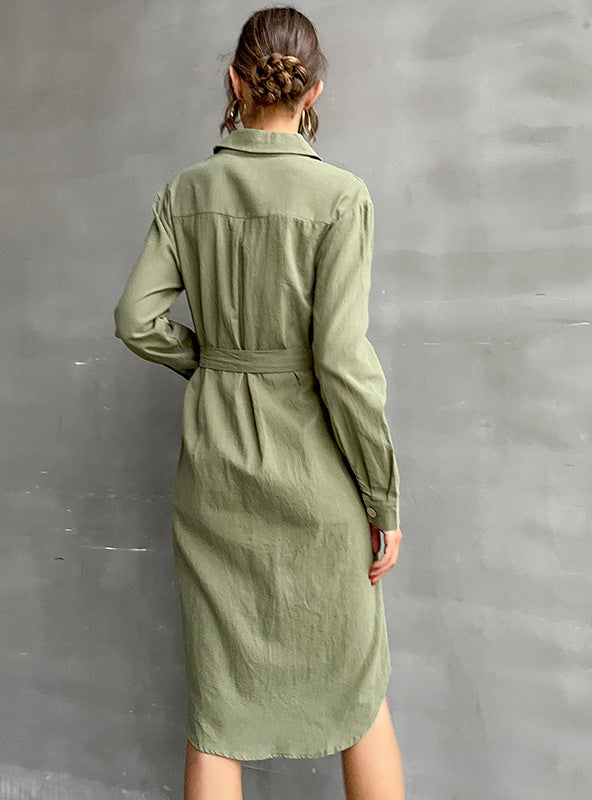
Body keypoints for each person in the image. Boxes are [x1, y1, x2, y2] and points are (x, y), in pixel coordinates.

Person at [113, 6, 405, 799]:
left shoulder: (186, 193)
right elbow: (341, 361)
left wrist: (214, 364)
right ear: (314, 92)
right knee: (360, 692)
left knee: (218, 710)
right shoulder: (341, 197)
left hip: (215, 486)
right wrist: (383, 496)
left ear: (235, 82)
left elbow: (134, 320)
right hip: (319, 486)